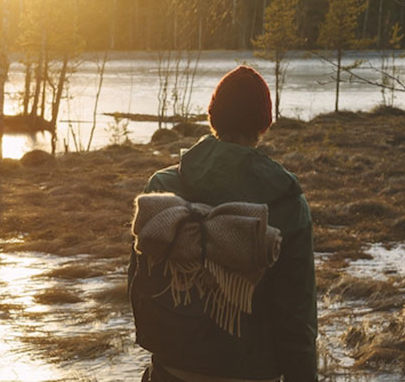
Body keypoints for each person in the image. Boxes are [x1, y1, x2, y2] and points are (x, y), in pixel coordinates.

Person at [128, 65, 317, 381]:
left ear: (212, 117)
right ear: (264, 124)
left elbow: (139, 284)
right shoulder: (287, 204)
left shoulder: (162, 186)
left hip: (172, 372)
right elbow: (297, 320)